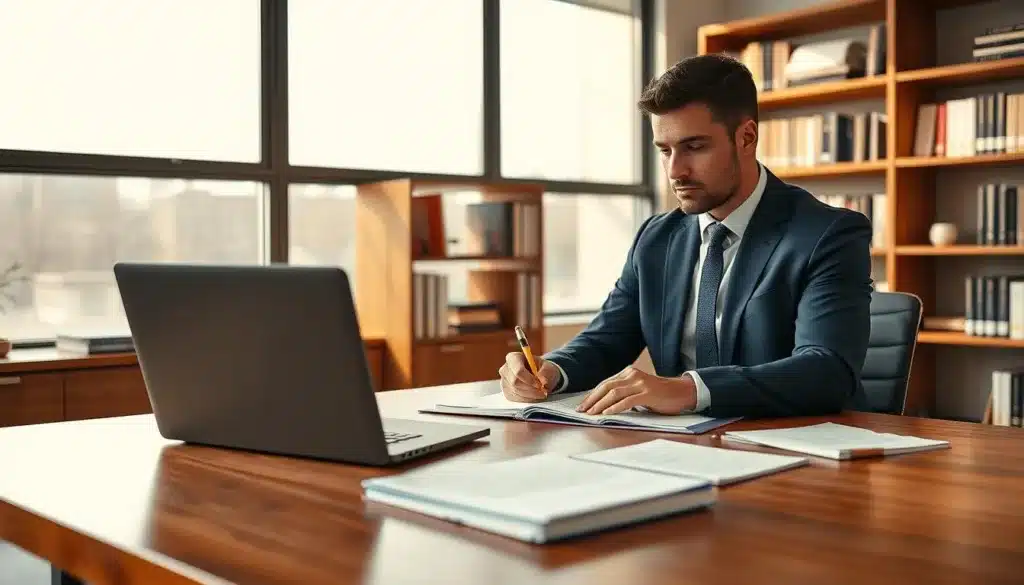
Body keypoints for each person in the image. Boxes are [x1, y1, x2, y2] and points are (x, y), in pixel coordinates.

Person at [498, 53, 874, 419]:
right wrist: (550, 370)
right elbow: (607, 339)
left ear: (746, 138)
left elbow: (827, 371)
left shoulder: (828, 234)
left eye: (694, 147)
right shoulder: (656, 237)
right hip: (684, 447)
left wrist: (690, 389)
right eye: (665, 151)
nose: (676, 170)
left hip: (798, 450)